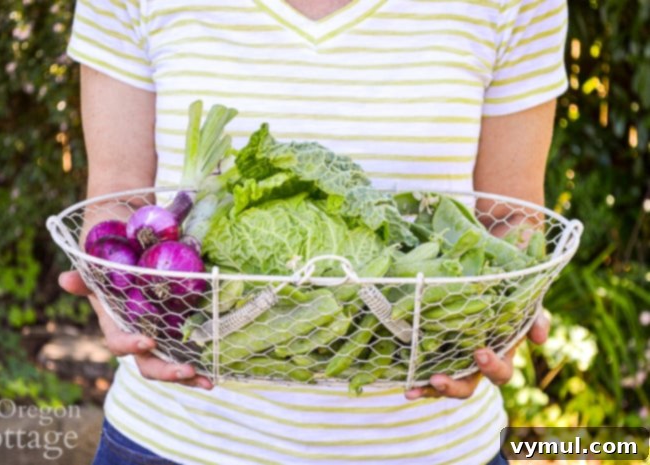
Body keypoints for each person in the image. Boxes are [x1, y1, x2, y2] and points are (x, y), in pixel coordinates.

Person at [59, 0, 567, 463]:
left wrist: (505, 313)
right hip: (175, 439)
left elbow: (512, 217)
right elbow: (119, 192)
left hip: (435, 447)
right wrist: (118, 294)